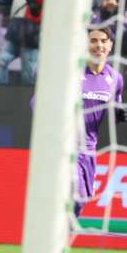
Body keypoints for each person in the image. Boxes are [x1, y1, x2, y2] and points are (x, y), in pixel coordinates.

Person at [75, 27, 126, 217]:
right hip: (65, 147)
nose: (99, 45)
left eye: (104, 41)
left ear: (110, 45)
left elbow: (116, 106)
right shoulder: (72, 72)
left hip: (89, 149)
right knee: (76, 192)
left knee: (82, 201)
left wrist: (119, 114)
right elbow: (37, 101)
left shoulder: (115, 78)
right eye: (93, 40)